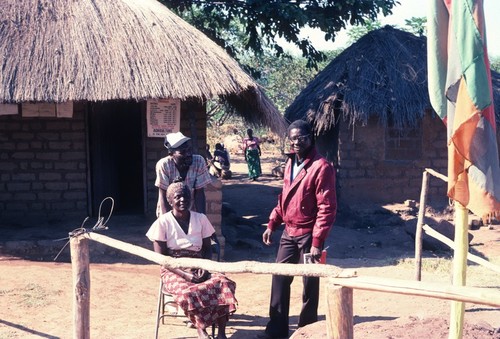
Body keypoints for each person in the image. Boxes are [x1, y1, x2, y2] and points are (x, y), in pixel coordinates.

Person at [261, 120, 337, 338]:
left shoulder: (321, 167)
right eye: (292, 138)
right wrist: (272, 223)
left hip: (309, 235)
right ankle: (276, 331)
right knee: (279, 277)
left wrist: (317, 242)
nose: (295, 142)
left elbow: (327, 208)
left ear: (310, 137)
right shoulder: (290, 162)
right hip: (289, 232)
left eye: (300, 138)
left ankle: (307, 331)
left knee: (309, 284)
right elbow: (284, 198)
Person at [146, 181, 237, 339]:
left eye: (186, 196)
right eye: (178, 197)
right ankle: (201, 329)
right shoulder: (163, 222)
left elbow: (207, 248)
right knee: (188, 293)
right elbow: (162, 259)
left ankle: (221, 333)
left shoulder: (200, 218)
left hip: (199, 263)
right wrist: (185, 275)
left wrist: (205, 267)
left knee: (224, 283)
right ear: (170, 201)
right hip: (173, 268)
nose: (183, 200)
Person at [155, 132, 212, 216]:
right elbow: (163, 196)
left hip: (190, 211)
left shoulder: (199, 161)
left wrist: (202, 220)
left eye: (189, 150)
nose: (188, 154)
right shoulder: (164, 165)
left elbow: (199, 194)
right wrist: (167, 222)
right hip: (168, 211)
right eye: (182, 152)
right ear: (171, 154)